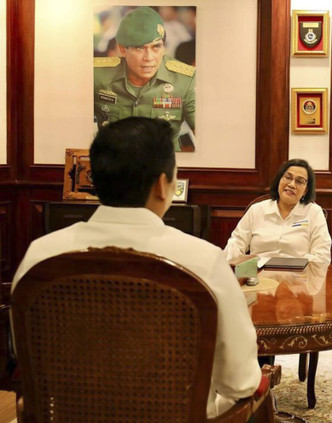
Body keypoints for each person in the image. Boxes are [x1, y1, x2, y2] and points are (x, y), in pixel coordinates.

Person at [12, 117, 260, 419]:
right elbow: (241, 383)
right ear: (161, 184)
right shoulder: (203, 261)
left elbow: (32, 366)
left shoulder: (40, 256)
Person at [94, 6, 196, 152]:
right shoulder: (98, 75)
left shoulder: (185, 79)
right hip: (114, 168)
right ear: (123, 49)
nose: (149, 58)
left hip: (163, 168)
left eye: (156, 47)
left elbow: (207, 136)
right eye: (140, 48)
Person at [223, 158, 332, 263]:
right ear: (279, 180)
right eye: (288, 177)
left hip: (297, 277)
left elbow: (322, 256)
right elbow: (236, 243)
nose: (291, 184)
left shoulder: (314, 213)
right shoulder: (257, 210)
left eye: (299, 181)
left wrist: (299, 265)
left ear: (305, 191)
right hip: (257, 276)